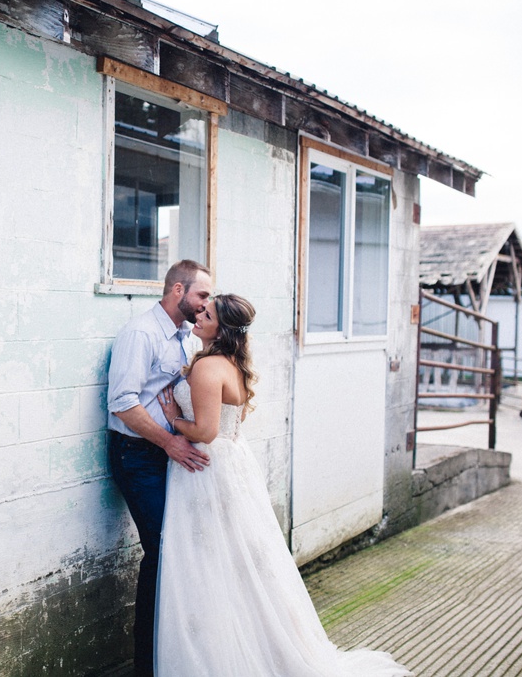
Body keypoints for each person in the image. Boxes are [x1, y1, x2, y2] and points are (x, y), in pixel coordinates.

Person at [154, 294, 412, 676]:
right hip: (231, 466)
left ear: (222, 328)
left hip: (205, 471)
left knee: (208, 564)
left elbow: (206, 431)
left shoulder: (208, 367)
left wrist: (174, 420)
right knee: (237, 564)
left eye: (207, 314)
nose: (199, 315)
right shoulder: (231, 364)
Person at [106, 259, 214, 677]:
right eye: (202, 295)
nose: (207, 304)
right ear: (177, 292)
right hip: (138, 457)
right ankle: (147, 664)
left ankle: (177, 654)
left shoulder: (190, 338)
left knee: (183, 548)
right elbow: (123, 402)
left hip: (172, 454)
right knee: (164, 550)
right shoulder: (141, 334)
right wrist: (170, 440)